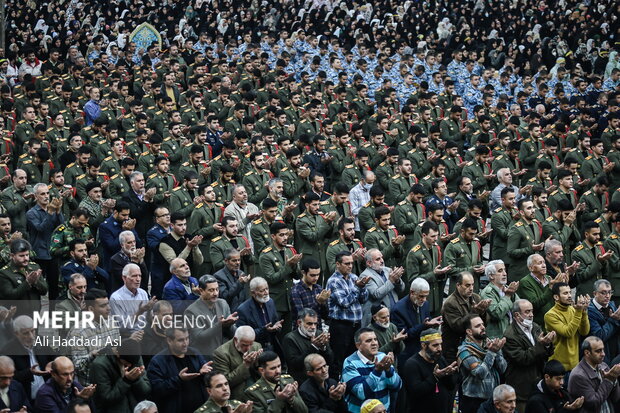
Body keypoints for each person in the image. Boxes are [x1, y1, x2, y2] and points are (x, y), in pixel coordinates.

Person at [503, 299, 555, 413]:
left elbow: (547, 353)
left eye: (531, 311)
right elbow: (523, 358)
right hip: (522, 388)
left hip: (539, 384)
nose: (531, 315)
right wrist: (541, 345)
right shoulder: (510, 335)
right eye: (527, 312)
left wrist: (548, 345)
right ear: (516, 315)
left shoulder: (535, 327)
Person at [146, 327, 213, 413]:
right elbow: (157, 390)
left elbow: (207, 380)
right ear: (169, 341)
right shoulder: (158, 361)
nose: (185, 343)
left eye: (187, 338)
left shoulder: (194, 353)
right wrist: (179, 379)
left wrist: (204, 373)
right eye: (181, 340)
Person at [325, 251, 370, 377]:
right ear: (338, 264)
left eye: (351, 263)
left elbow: (364, 299)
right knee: (339, 360)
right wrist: (358, 288)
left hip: (356, 325)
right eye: (346, 263)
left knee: (355, 358)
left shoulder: (354, 278)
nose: (350, 266)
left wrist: (362, 287)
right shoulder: (333, 281)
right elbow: (344, 302)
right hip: (341, 326)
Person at [67, 288, 121, 385]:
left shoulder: (112, 323)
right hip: (91, 385)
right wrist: (92, 356)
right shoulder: (78, 332)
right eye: (103, 305)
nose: (109, 308)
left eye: (108, 304)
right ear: (91, 309)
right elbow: (77, 367)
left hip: (112, 379)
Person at [342, 327, 402, 413]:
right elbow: (361, 393)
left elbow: (397, 386)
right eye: (368, 341)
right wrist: (377, 371)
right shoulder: (350, 363)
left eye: (375, 339)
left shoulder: (382, 357)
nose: (374, 343)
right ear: (358, 346)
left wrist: (389, 370)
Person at [457, 314, 508, 413]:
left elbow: (503, 368)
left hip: (492, 399)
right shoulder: (464, 351)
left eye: (483, 324)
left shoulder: (490, 345)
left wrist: (497, 351)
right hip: (473, 401)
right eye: (478, 326)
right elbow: (480, 373)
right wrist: (492, 352)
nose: (483, 327)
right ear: (469, 331)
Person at [402, 328, 458, 413]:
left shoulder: (440, 359)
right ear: (424, 345)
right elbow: (416, 392)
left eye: (440, 344)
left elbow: (450, 386)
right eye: (435, 345)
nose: (440, 349)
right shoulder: (412, 364)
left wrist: (448, 374)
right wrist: (435, 377)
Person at [88, 339, 151, 413]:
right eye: (126, 364)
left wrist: (136, 379)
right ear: (117, 354)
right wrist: (126, 381)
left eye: (132, 364)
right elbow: (105, 398)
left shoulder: (134, 357)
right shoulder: (100, 365)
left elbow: (146, 391)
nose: (130, 366)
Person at [441, 272, 490, 363]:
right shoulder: (450, 303)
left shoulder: (476, 298)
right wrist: (475, 312)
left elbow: (485, 324)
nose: (471, 288)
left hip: (474, 346)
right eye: (467, 285)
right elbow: (458, 327)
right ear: (458, 285)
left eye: (472, 285)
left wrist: (483, 312)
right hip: (454, 349)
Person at [25, 182, 64, 300]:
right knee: (38, 286)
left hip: (52, 252)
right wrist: (50, 213)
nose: (46, 196)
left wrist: (58, 211)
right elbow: (40, 228)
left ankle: (52, 314)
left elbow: (62, 226)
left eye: (47, 193)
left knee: (54, 286)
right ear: (36, 196)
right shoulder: (31, 213)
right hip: (39, 254)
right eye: (42, 194)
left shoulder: (52, 208)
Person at [184, 274, 237, 357]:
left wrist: (230, 325)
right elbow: (199, 338)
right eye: (211, 290)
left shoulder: (223, 303)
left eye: (217, 289)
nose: (215, 293)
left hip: (226, 354)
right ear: (201, 291)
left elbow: (233, 333)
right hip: (206, 357)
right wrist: (219, 325)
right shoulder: (191, 311)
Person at [545, 282, 591, 371]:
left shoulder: (573, 309)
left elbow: (584, 332)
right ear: (556, 297)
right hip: (559, 366)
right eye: (565, 293)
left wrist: (584, 312)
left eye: (570, 292)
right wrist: (578, 312)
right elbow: (568, 333)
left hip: (575, 365)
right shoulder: (550, 315)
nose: (569, 295)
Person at [567, 336, 620, 413]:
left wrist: (614, 379)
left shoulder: (604, 366)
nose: (603, 354)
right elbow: (594, 402)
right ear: (587, 353)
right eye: (598, 351)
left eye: (603, 350)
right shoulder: (578, 375)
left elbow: (616, 398)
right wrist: (609, 379)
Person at [282, 308, 333, 383]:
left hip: (321, 380)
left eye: (315, 324)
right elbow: (295, 365)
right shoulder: (290, 338)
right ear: (299, 323)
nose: (313, 327)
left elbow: (330, 361)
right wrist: (313, 347)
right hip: (302, 382)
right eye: (309, 323)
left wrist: (323, 348)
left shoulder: (319, 334)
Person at [212, 326, 263, 402]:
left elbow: (262, 374)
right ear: (236, 340)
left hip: (258, 393)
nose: (248, 348)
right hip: (238, 398)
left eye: (251, 344)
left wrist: (258, 362)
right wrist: (245, 365)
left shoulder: (256, 346)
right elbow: (226, 382)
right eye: (244, 345)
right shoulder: (221, 353)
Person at [0, 239, 47, 317]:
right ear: (12, 256)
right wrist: (27, 283)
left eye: (27, 255)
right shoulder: (4, 273)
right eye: (21, 256)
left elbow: (44, 291)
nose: (26, 259)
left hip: (35, 314)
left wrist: (36, 282)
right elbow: (10, 296)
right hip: (16, 316)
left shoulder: (34, 267)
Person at [517, 253, 566, 327]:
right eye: (539, 263)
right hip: (538, 325)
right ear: (531, 268)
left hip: (554, 321)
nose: (544, 265)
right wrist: (550, 288)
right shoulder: (525, 282)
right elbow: (534, 304)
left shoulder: (548, 278)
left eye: (544, 262)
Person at [235, 277, 283, 352]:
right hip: (254, 349)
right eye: (262, 291)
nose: (266, 292)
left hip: (272, 345)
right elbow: (243, 336)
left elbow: (274, 321)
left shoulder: (270, 302)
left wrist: (277, 326)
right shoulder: (243, 310)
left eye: (267, 289)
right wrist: (264, 330)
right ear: (253, 293)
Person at [360, 248, 405, 326]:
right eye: (378, 259)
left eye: (382, 257)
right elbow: (376, 294)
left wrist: (398, 281)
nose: (382, 261)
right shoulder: (365, 275)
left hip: (395, 312)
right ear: (369, 263)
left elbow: (401, 289)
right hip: (379, 317)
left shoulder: (388, 270)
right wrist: (391, 281)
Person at [109, 263, 154, 335]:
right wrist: (139, 312)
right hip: (128, 335)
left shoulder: (143, 293)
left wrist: (151, 310)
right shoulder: (116, 298)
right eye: (134, 276)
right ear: (124, 278)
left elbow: (148, 320)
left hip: (146, 332)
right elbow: (121, 327)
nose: (138, 279)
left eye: (140, 276)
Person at [479, 260, 519, 338]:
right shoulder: (487, 292)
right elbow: (496, 314)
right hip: (498, 337)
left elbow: (520, 307)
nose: (505, 273)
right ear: (491, 276)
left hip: (513, 334)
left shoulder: (508, 288)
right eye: (500, 271)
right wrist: (508, 295)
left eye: (504, 270)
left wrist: (512, 295)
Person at [290, 258, 330, 327]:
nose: (316, 278)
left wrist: (323, 302)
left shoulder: (318, 288)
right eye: (312, 275)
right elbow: (301, 316)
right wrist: (318, 302)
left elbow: (326, 316)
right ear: (303, 273)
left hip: (317, 329)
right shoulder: (296, 290)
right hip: (303, 331)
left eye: (318, 275)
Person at [588, 279, 620, 363]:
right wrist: (613, 319)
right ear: (595, 293)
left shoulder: (612, 305)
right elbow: (599, 336)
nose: (608, 296)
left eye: (610, 292)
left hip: (615, 351)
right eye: (603, 293)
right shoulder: (589, 311)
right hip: (601, 357)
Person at [213, 248, 250, 312]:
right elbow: (225, 297)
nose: (238, 263)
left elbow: (244, 296)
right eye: (234, 261)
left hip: (242, 313)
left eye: (239, 260)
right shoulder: (218, 276)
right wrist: (239, 283)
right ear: (226, 261)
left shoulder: (241, 273)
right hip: (228, 313)